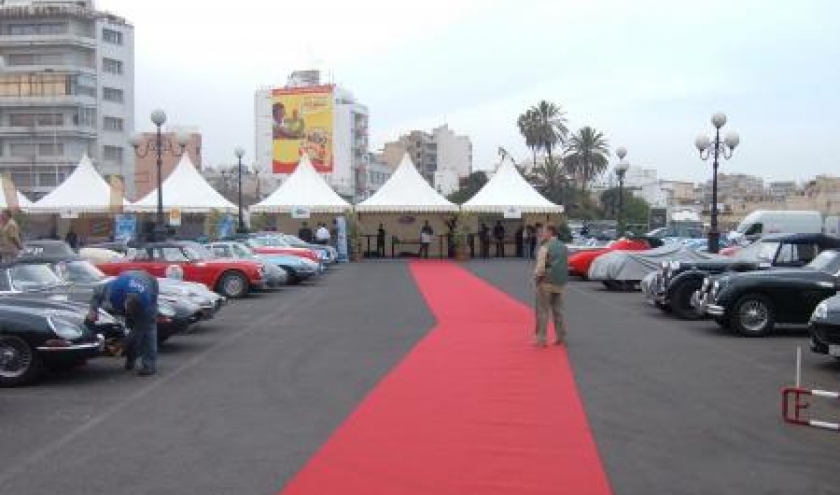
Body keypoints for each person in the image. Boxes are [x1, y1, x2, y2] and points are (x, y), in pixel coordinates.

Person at [88, 270, 160, 375]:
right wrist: (93, 310)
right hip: (129, 277)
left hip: (151, 282)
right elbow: (97, 293)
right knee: (129, 326)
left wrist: (122, 344)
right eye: (127, 311)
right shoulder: (115, 288)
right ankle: (132, 357)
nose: (127, 314)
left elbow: (138, 330)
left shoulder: (146, 304)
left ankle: (149, 365)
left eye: (132, 313)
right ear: (125, 301)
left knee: (148, 330)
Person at [533, 225, 569, 347]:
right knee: (558, 311)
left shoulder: (545, 247)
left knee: (542, 311)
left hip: (546, 282)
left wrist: (537, 280)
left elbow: (540, 268)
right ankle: (561, 336)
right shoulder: (563, 247)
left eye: (543, 231)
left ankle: (541, 338)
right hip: (560, 283)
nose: (541, 234)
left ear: (550, 232)